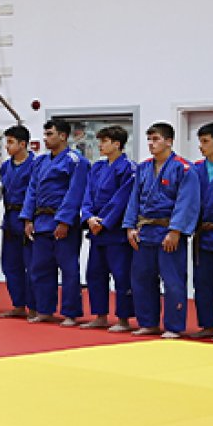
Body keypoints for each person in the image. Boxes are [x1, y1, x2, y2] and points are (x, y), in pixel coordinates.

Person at [123, 123, 199, 339]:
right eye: (149, 139)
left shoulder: (184, 168)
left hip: (168, 232)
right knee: (142, 279)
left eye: (155, 139)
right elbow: (133, 200)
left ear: (169, 141)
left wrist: (176, 231)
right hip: (145, 231)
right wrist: (130, 227)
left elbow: (187, 202)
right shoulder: (143, 167)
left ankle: (174, 326)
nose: (151, 144)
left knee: (173, 280)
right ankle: (148, 322)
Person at [20, 119, 89, 326]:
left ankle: (70, 312)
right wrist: (28, 218)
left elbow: (75, 192)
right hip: (41, 221)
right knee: (40, 268)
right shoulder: (40, 162)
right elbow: (32, 191)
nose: (46, 138)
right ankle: (44, 309)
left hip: (63, 222)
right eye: (45, 134)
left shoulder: (76, 160)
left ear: (63, 136)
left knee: (68, 269)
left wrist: (65, 221)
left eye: (50, 134)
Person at [79, 126, 135, 332]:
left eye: (104, 141)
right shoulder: (97, 167)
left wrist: (104, 221)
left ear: (117, 144)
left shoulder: (128, 167)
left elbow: (122, 199)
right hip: (96, 231)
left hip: (115, 231)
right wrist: (89, 217)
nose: (100, 145)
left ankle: (123, 319)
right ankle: (100, 315)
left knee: (121, 276)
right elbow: (87, 195)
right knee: (94, 274)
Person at [0, 125, 38, 319]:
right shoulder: (5, 166)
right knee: (10, 264)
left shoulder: (35, 164)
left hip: (27, 216)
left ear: (23, 144)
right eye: (7, 142)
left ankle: (34, 306)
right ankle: (18, 304)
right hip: (9, 217)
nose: (7, 146)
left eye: (11, 142)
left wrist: (29, 218)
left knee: (31, 265)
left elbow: (35, 193)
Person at [192, 122, 213, 342]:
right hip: (202, 233)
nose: (201, 146)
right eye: (200, 141)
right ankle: (206, 325)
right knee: (203, 282)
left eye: (205, 141)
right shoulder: (195, 169)